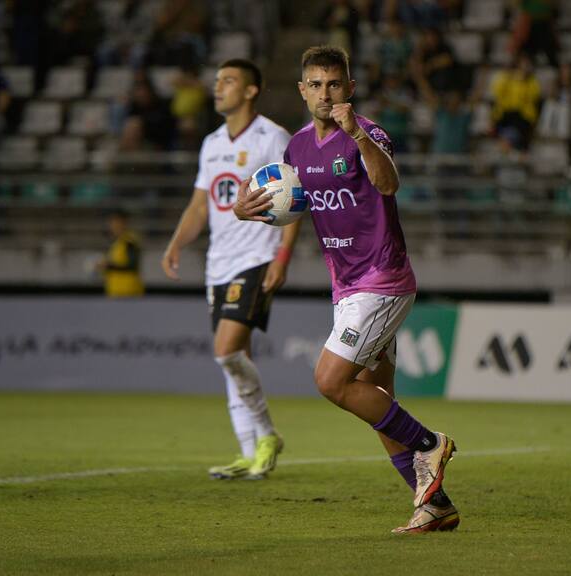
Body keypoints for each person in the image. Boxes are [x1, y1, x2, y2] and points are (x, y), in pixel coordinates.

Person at [234, 46, 457, 534]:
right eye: (315, 84)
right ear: (301, 90)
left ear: (349, 89)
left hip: (383, 280)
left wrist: (356, 133)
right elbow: (290, 205)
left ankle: (428, 445)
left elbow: (388, 184)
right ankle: (433, 503)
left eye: (334, 84)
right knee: (378, 398)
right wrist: (246, 211)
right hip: (347, 286)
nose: (324, 93)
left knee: (330, 381)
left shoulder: (369, 133)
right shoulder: (296, 150)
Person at [161, 59, 300, 480]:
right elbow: (201, 203)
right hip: (218, 263)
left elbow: (295, 201)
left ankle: (268, 436)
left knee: (225, 352)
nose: (218, 87)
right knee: (236, 358)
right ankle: (249, 451)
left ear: (252, 90)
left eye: (229, 80)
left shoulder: (273, 137)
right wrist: (176, 242)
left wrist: (281, 258)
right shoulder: (212, 143)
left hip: (256, 257)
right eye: (218, 80)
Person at [97, 209, 144, 297]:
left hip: (129, 292)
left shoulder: (130, 242)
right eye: (112, 222)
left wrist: (109, 266)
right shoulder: (117, 242)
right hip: (116, 292)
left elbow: (132, 265)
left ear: (124, 223)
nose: (113, 225)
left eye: (117, 222)